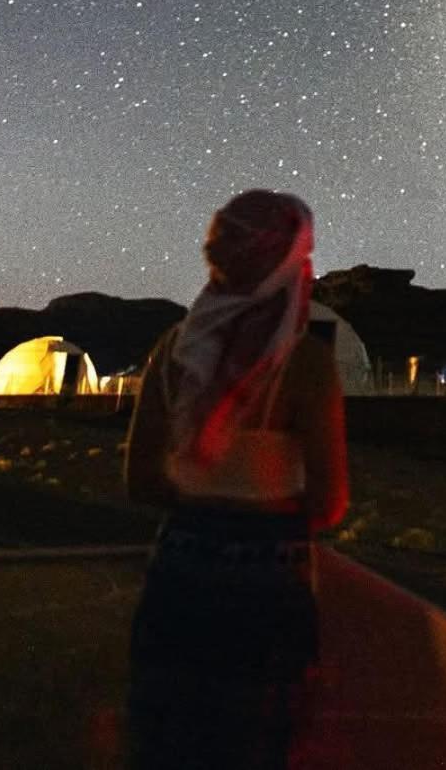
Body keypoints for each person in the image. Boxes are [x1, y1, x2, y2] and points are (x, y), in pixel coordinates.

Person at [124, 190, 348, 769]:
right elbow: (328, 502)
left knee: (166, 739)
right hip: (267, 596)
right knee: (259, 744)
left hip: (177, 579)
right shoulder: (306, 364)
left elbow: (141, 480)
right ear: (286, 267)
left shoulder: (173, 351)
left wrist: (206, 504)